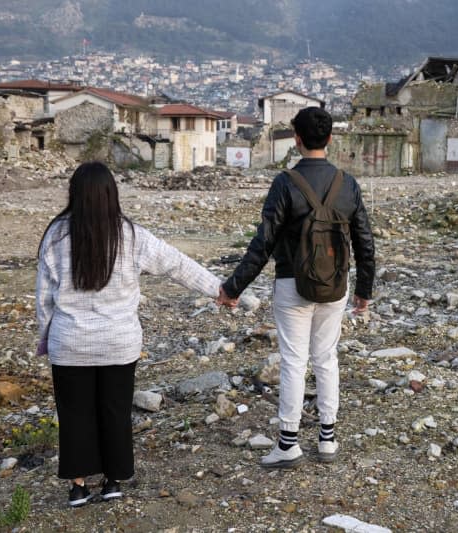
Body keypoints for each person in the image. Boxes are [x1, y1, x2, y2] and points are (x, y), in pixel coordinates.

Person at [36, 161, 226, 507]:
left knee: (75, 414)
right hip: (119, 343)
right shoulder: (132, 235)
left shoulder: (56, 235)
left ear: (74, 194)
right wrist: (219, 289)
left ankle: (78, 486)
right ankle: (113, 480)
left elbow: (45, 298)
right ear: (112, 194)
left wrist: (46, 337)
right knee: (115, 410)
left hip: (70, 342)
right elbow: (178, 265)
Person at [218, 107, 375, 468]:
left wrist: (233, 287)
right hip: (336, 284)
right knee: (326, 358)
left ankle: (288, 443)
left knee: (293, 361)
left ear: (297, 139)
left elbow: (264, 243)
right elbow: (365, 241)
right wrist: (364, 290)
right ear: (331, 139)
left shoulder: (285, 182)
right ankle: (328, 439)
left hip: (292, 285)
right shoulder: (347, 183)